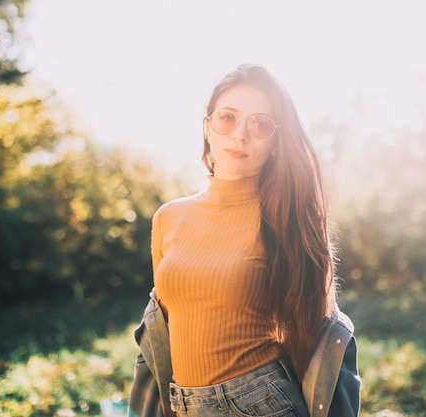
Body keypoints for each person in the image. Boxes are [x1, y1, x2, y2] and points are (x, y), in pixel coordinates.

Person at [128, 64, 360, 417]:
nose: (240, 135)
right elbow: (165, 324)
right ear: (208, 128)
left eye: (260, 124)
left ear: (276, 143)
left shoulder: (287, 218)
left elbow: (314, 332)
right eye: (227, 118)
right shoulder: (168, 218)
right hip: (183, 406)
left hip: (263, 403)